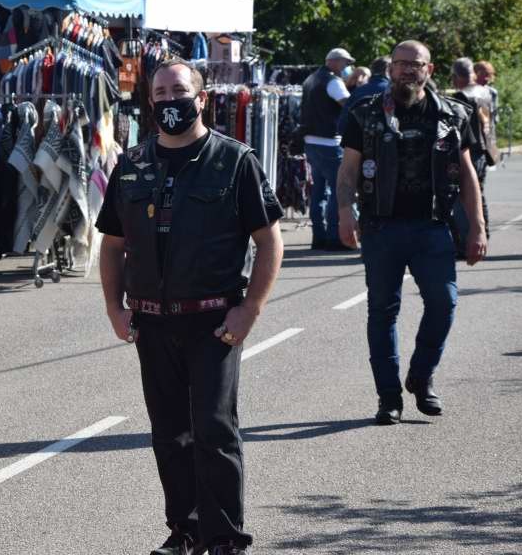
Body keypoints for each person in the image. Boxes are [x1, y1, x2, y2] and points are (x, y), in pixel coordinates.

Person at [97, 59, 284, 555]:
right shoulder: (132, 164)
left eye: (178, 91)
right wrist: (114, 309)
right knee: (169, 435)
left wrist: (251, 310)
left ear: (201, 99)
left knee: (214, 430)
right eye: (159, 93)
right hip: (152, 323)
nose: (167, 100)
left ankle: (225, 537)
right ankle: (185, 531)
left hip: (214, 321)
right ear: (150, 101)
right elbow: (112, 245)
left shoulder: (234, 160)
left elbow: (269, 241)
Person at [336, 40, 487, 425]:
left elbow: (468, 175)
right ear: (390, 69)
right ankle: (389, 398)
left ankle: (421, 377)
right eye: (401, 63)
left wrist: (478, 228)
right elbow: (349, 169)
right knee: (382, 311)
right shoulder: (364, 113)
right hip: (381, 228)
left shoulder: (454, 114)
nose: (407, 70)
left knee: (444, 304)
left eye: (414, 64)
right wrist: (343, 212)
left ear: (428, 70)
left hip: (433, 227)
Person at [300, 47, 354, 250]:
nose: (347, 67)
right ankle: (334, 236)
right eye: (345, 63)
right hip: (329, 142)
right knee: (338, 190)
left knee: (319, 191)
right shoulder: (333, 81)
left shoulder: (311, 79)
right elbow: (347, 105)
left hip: (311, 141)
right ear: (334, 61)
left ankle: (318, 236)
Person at [449, 57, 493, 252]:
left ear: (457, 76)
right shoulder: (485, 91)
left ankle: (466, 239)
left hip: (470, 150)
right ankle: (483, 233)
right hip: (484, 149)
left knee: (464, 195)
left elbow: (457, 127)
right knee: (478, 193)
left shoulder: (462, 96)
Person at [336, 56, 391, 135]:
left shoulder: (358, 91)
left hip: (356, 142)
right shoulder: (392, 91)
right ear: (388, 70)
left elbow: (342, 124)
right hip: (385, 142)